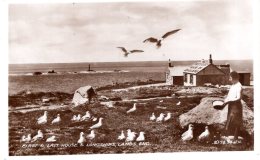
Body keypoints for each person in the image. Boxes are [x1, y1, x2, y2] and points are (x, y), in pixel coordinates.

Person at [222, 71, 243, 140]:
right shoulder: (233, 86)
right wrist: (224, 101)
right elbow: (229, 96)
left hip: (236, 106)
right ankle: (229, 135)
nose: (229, 79)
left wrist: (229, 101)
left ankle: (235, 137)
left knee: (236, 120)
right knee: (230, 119)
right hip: (231, 105)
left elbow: (238, 97)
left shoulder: (239, 86)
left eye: (230, 78)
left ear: (234, 78)